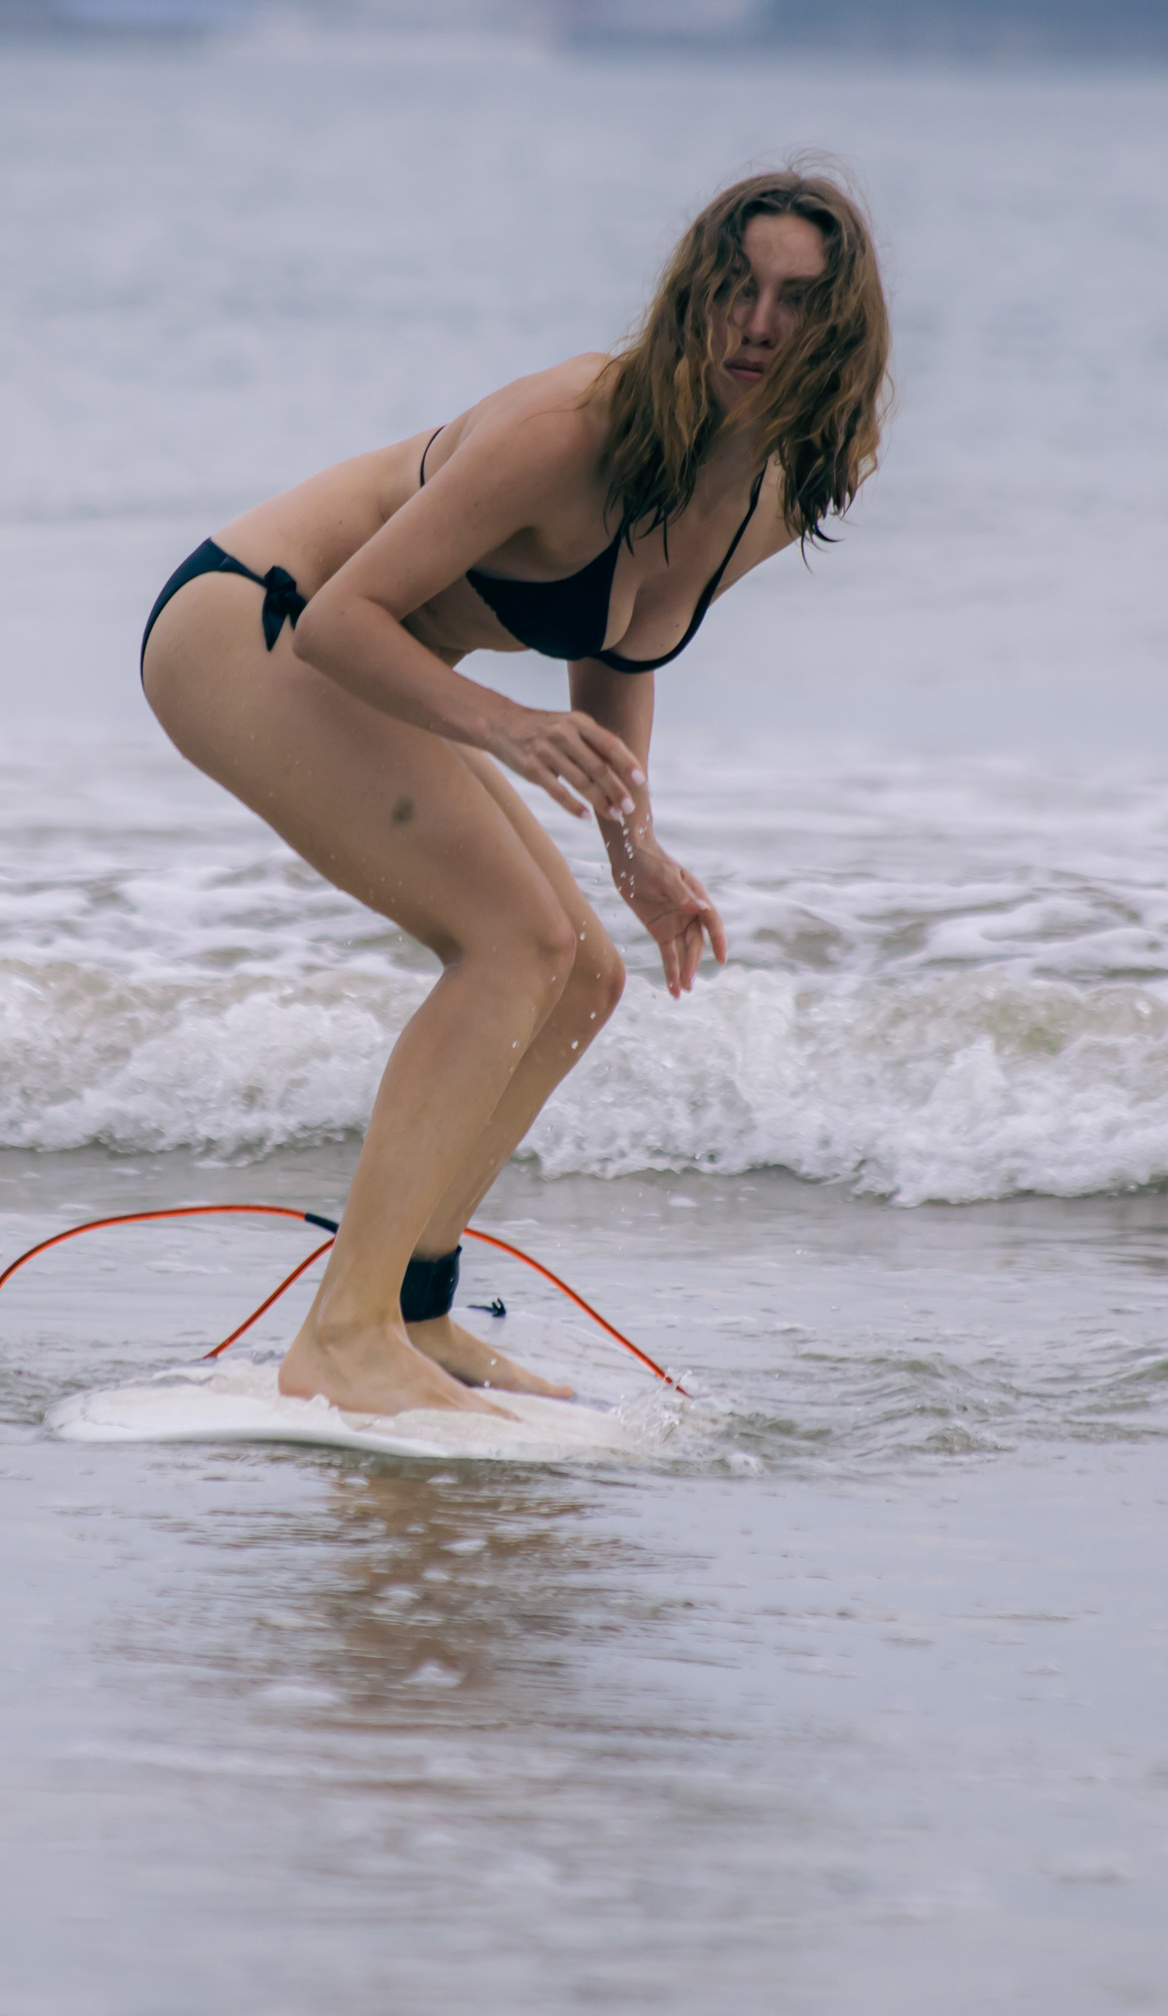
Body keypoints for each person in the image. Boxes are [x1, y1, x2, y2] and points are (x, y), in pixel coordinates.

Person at [139, 168, 891, 1417]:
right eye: (734, 289)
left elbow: (624, 638)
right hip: (254, 622)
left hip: (369, 662)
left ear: (842, 328)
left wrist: (633, 849)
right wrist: (506, 724)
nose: (757, 325)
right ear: (690, 294)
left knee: (583, 972)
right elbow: (341, 618)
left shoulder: (789, 477)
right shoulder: (573, 428)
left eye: (796, 302)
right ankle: (341, 1334)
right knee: (508, 943)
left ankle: (412, 1314)